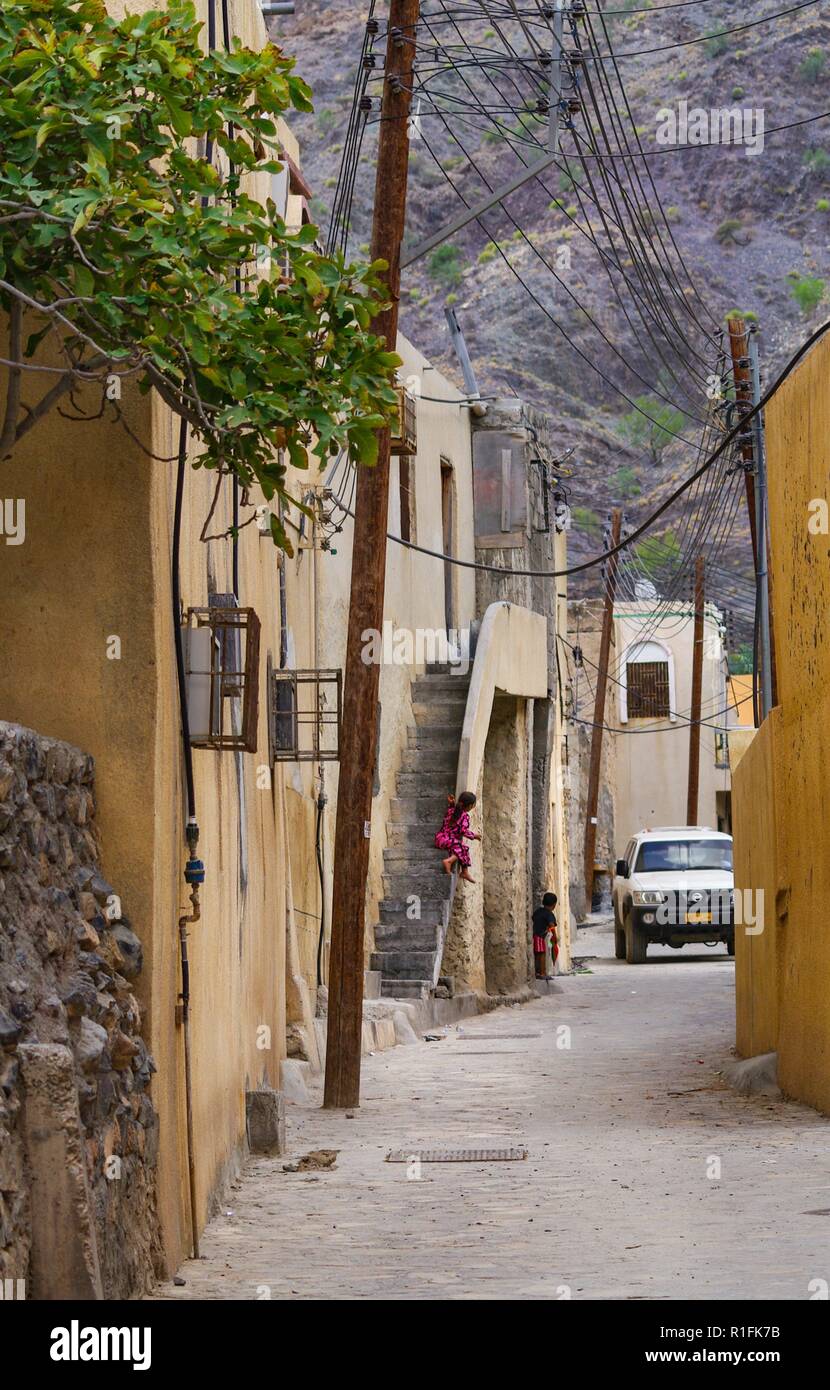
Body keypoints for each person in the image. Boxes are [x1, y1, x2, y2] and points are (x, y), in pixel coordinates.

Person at [434, 791, 481, 884]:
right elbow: (463, 831)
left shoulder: (452, 810)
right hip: (448, 839)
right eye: (473, 805)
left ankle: (464, 872)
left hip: (439, 839)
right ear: (469, 806)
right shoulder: (464, 816)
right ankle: (449, 861)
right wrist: (474, 836)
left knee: (461, 848)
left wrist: (451, 804)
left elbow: (451, 816)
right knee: (463, 848)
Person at [532, 891, 558, 980]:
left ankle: (538, 972)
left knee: (537, 954)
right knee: (542, 954)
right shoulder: (549, 914)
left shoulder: (538, 911)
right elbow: (551, 925)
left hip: (534, 935)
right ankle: (542, 973)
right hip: (539, 936)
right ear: (554, 905)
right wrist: (554, 935)